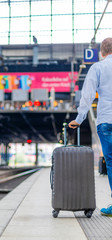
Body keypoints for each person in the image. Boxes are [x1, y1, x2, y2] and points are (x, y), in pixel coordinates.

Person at [69, 37, 112, 217]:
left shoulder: (98, 67)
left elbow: (87, 95)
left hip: (106, 120)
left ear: (101, 52)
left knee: (111, 162)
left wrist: (79, 118)